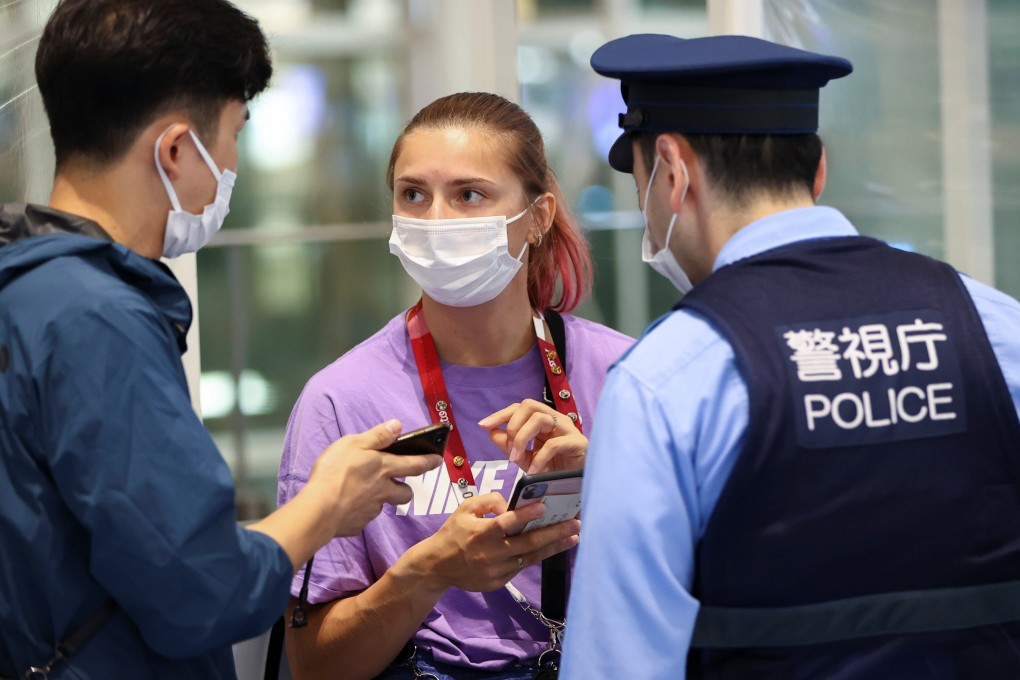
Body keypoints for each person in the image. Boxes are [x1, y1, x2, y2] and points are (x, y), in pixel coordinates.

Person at [0, 1, 441, 677]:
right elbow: (197, 590)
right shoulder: (97, 321)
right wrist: (326, 505)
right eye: (234, 132)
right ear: (175, 149)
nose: (232, 161)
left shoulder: (28, 289)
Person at [561, 33, 1020, 680]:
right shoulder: (993, 325)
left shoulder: (666, 380)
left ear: (672, 169)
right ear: (819, 167)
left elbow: (618, 663)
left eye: (640, 182)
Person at [277, 91, 634, 680]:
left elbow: (707, 587)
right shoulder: (340, 399)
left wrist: (611, 486)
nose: (436, 221)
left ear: (538, 216)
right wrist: (428, 572)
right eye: (413, 195)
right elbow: (316, 665)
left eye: (470, 195)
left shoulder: (622, 376)